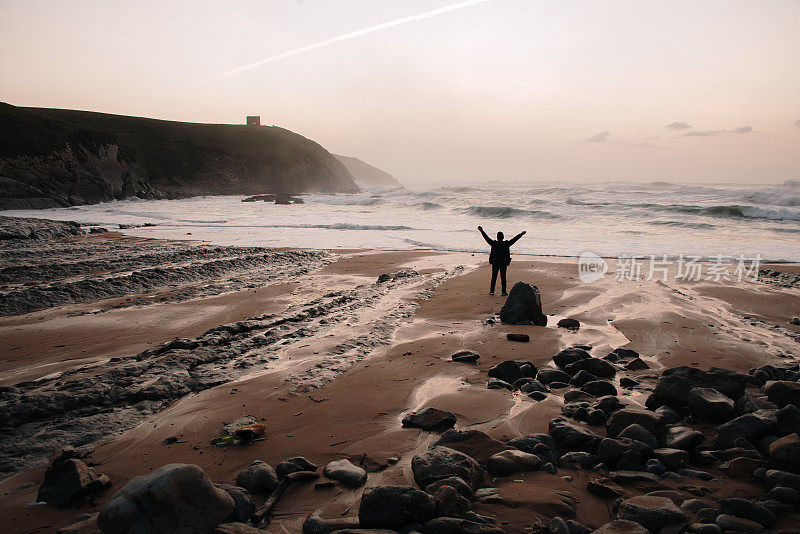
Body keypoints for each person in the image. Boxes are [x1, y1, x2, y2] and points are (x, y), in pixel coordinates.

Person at [478, 226, 526, 295]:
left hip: (495, 262)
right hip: (503, 263)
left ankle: (492, 291)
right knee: (503, 277)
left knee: (494, 277)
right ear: (503, 237)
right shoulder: (506, 244)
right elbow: (515, 239)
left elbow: (486, 238)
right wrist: (521, 234)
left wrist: (481, 231)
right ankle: (503, 292)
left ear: (497, 237)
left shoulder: (493, 243)